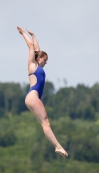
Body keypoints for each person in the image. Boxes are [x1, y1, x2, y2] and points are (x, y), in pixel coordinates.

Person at [17, 26, 68, 158]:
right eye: (44, 60)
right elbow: (31, 47)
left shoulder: (38, 65)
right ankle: (58, 146)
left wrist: (34, 35)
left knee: (44, 123)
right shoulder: (32, 66)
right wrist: (23, 33)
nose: (46, 62)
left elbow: (37, 49)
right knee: (46, 123)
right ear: (38, 59)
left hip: (33, 97)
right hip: (33, 96)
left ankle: (57, 146)